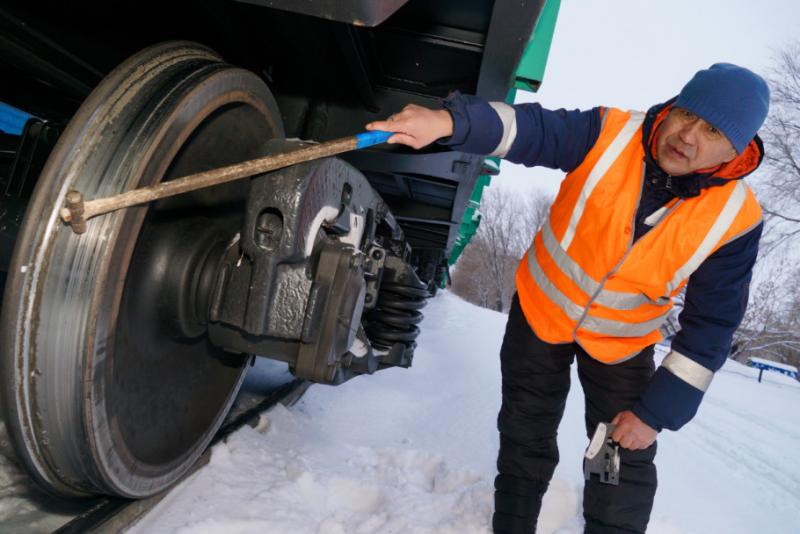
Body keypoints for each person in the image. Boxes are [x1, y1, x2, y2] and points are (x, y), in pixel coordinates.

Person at [366, 63, 770, 533]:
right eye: (687, 114)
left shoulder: (737, 219)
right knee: (525, 431)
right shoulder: (612, 133)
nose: (687, 135)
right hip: (541, 314)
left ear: (735, 149)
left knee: (620, 458)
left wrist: (654, 414)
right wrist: (452, 122)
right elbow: (530, 129)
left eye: (712, 129)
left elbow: (711, 328)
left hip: (622, 345)